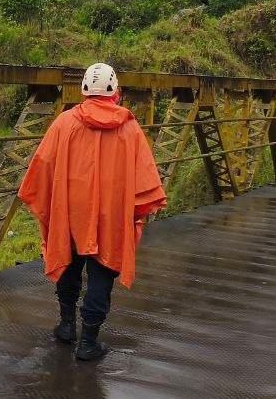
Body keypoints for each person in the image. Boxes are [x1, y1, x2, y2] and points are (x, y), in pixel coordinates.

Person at [17, 63, 166, 361]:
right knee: (101, 274)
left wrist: (50, 204)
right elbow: (145, 179)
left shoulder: (64, 123)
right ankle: (88, 343)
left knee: (69, 265)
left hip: (69, 213)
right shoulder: (130, 128)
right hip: (110, 217)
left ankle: (67, 326)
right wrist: (136, 213)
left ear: (83, 90)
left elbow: (42, 167)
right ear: (117, 93)